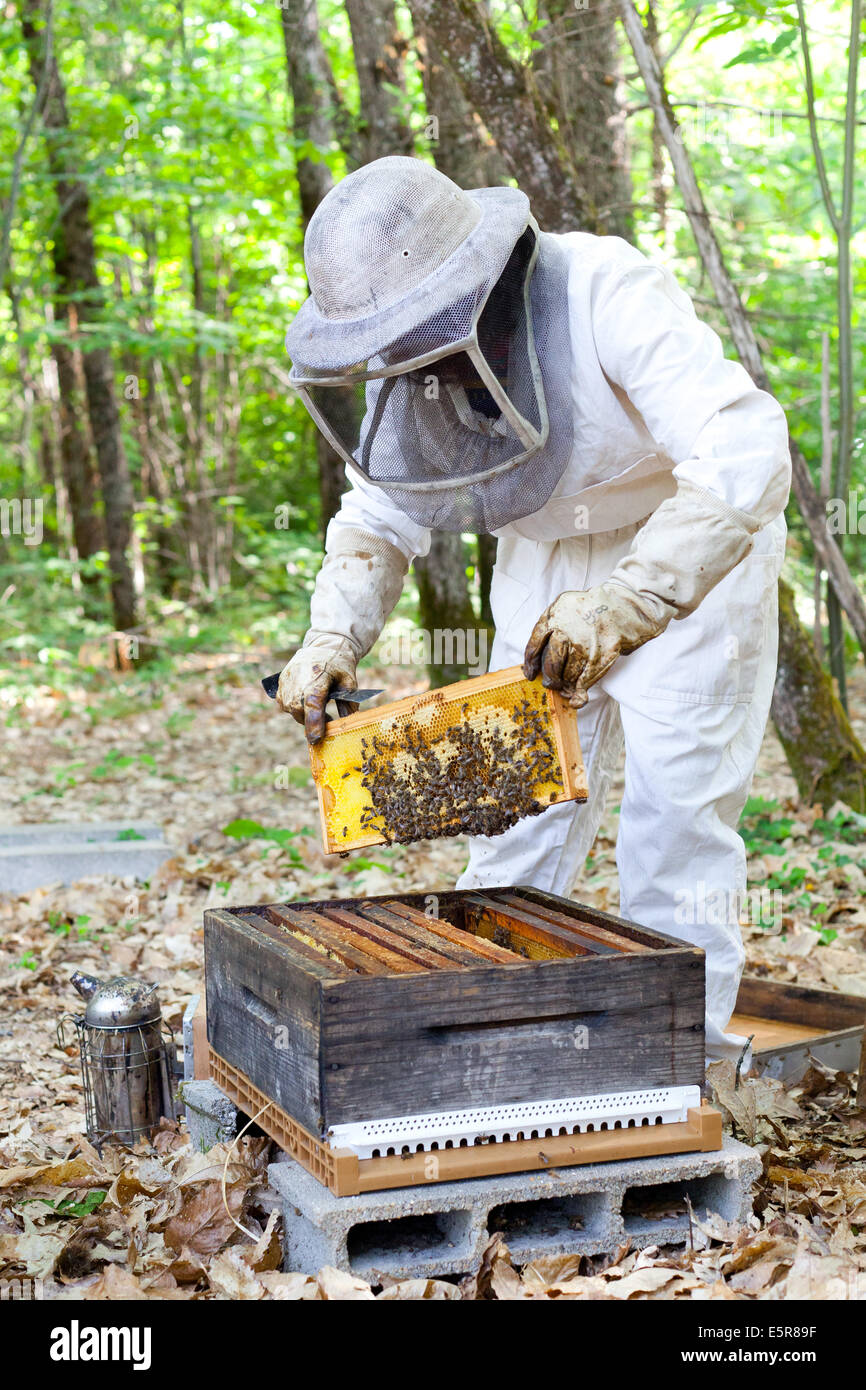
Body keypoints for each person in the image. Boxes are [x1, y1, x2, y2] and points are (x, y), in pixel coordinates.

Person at [276, 156, 791, 1061]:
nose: (400, 353)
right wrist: (333, 632)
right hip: (545, 560)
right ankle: (492, 1055)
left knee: (676, 833)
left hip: (689, 549)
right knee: (509, 830)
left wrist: (636, 597)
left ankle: (686, 1073)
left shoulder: (605, 289)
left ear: (468, 283)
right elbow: (378, 509)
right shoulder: (416, 367)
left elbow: (746, 446)